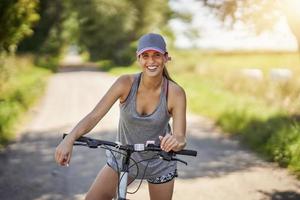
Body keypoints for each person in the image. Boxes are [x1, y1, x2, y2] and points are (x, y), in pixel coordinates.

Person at [55, 33, 187, 200]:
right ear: (138, 58)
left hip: (160, 162)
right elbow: (95, 115)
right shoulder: (125, 83)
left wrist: (177, 141)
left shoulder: (175, 93)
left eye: (157, 55)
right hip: (124, 158)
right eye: (145, 56)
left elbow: (181, 137)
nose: (151, 61)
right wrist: (69, 139)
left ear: (166, 57)